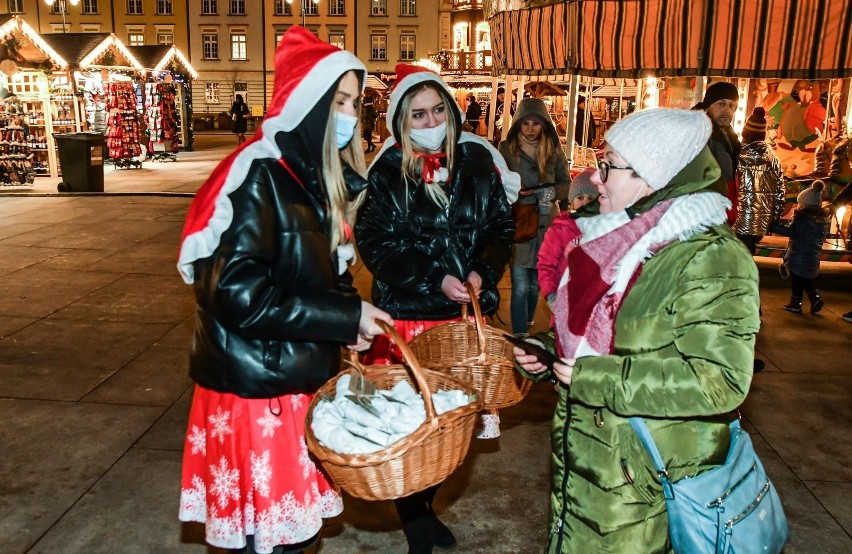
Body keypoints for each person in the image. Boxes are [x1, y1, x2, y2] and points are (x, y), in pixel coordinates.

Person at [176, 27, 393, 554]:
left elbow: (317, 278)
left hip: (289, 382)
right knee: (265, 541)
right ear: (307, 102)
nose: (347, 115)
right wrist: (343, 318)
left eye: (354, 102)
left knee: (291, 538)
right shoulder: (256, 175)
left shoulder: (312, 179)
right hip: (255, 394)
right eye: (337, 100)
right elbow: (236, 294)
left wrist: (350, 316)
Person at [514, 108, 761, 552]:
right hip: (589, 462)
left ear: (652, 177)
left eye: (609, 165)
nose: (597, 178)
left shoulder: (709, 256)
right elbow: (595, 333)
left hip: (648, 475)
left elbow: (719, 381)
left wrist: (592, 377)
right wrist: (547, 350)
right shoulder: (613, 238)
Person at [354, 63, 517, 554]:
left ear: (452, 110)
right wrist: (434, 278)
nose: (430, 124)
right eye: (418, 115)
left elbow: (499, 230)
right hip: (406, 318)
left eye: (437, 111)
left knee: (451, 425)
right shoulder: (386, 172)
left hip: (463, 321)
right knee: (409, 425)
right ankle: (416, 515)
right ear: (401, 122)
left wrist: (480, 273)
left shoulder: (478, 163)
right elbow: (375, 244)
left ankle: (427, 501)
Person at [498, 98, 569, 334]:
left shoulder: (553, 149)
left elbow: (566, 183)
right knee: (519, 284)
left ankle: (528, 323)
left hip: (547, 222)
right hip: (519, 220)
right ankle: (520, 334)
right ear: (517, 123)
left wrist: (552, 192)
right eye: (525, 123)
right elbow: (498, 183)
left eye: (535, 124)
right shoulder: (506, 148)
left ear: (544, 125)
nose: (530, 129)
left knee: (536, 283)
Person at [537, 167, 598, 312]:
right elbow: (546, 264)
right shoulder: (560, 229)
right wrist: (551, 295)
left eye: (590, 199)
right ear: (571, 200)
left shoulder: (603, 230)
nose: (585, 203)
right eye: (580, 197)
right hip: (564, 303)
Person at [770, 181, 828, 314]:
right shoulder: (822, 219)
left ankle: (796, 303)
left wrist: (773, 226)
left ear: (805, 204)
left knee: (797, 279)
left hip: (799, 255)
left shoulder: (802, 218)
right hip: (813, 255)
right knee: (806, 278)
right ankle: (815, 299)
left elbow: (791, 232)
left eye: (800, 202)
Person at [734, 107, 785, 254]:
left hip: (736, 221)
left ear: (745, 134)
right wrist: (774, 218)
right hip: (760, 223)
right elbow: (780, 192)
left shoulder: (737, 156)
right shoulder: (773, 158)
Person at [701, 81, 742, 225]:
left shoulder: (729, 136)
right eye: (721, 104)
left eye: (732, 106)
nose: (727, 110)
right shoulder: (701, 134)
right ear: (708, 105)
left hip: (721, 214)